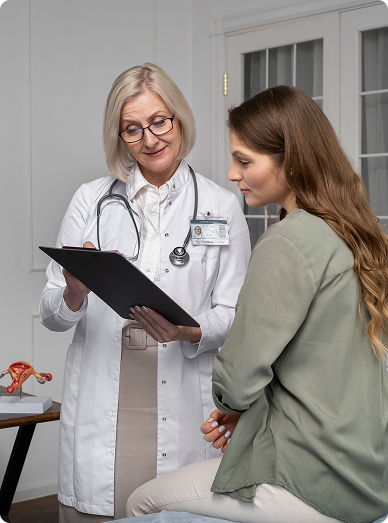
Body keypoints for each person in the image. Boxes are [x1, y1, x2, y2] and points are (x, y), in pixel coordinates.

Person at [126, 85, 388, 523]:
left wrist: (231, 406)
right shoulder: (357, 233)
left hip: (311, 478)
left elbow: (239, 374)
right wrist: (245, 415)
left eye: (245, 161)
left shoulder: (287, 242)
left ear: (293, 160)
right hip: (368, 471)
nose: (232, 173)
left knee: (141, 501)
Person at [39, 63, 251, 522]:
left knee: (175, 510)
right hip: (105, 390)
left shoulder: (221, 205)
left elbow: (235, 313)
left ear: (179, 119)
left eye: (159, 121)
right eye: (132, 129)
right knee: (98, 509)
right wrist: (74, 292)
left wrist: (190, 331)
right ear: (118, 136)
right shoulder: (90, 200)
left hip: (181, 384)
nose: (150, 139)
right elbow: (52, 313)